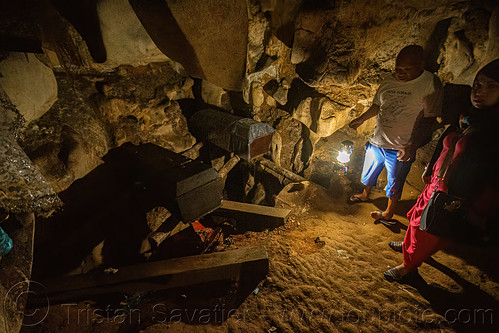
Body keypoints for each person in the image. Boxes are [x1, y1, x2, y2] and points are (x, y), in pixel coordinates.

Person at [384, 59, 499, 282]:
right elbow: (446, 142)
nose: (480, 92)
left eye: (491, 86)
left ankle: (409, 266)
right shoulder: (466, 117)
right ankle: (410, 245)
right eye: (477, 85)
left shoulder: (493, 131)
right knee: (417, 216)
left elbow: (488, 172)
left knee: (427, 228)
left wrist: (465, 199)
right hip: (437, 180)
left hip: (452, 191)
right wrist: (430, 167)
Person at [348, 45, 443, 223]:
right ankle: (364, 194)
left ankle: (389, 212)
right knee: (369, 172)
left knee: (395, 181)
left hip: (401, 145)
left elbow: (430, 119)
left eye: (407, 69)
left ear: (420, 65)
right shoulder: (388, 81)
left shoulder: (429, 83)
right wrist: (361, 119)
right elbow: (377, 105)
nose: (401, 73)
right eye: (398, 69)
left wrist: (412, 145)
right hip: (377, 140)